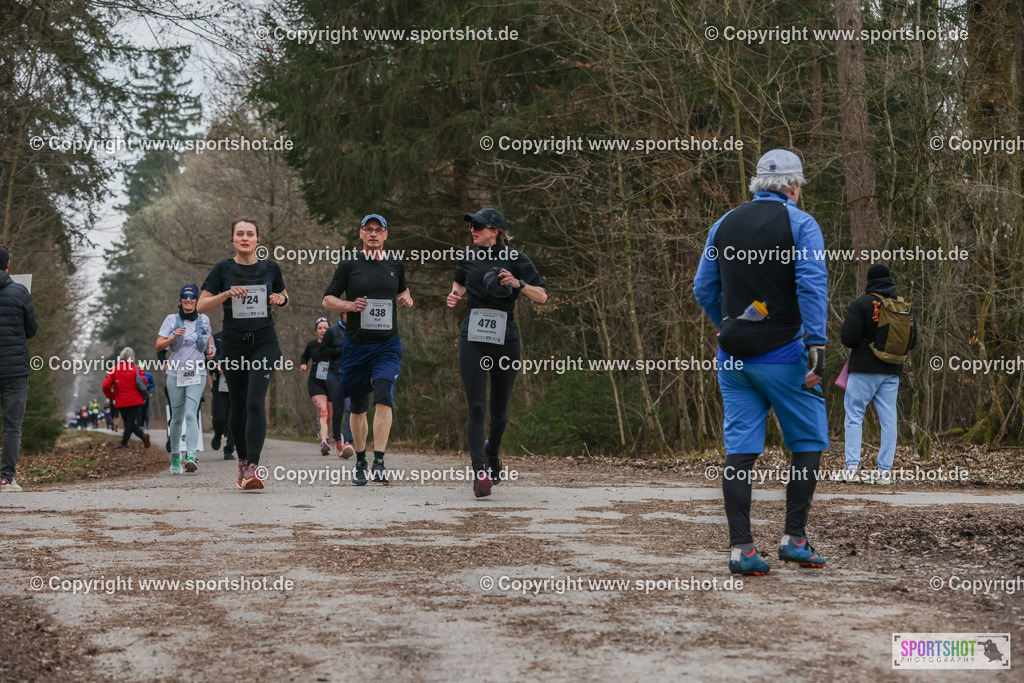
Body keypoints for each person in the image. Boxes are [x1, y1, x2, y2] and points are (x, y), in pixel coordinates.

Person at [693, 149, 829, 576]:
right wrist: (817, 342)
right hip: (785, 354)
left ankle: (741, 549)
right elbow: (810, 283)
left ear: (757, 184)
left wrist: (731, 325)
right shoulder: (801, 224)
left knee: (740, 452)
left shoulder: (723, 224)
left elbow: (703, 288)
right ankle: (794, 539)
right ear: (794, 185)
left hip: (731, 357)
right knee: (808, 442)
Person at [446, 208, 547, 497]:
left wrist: (519, 283)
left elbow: (542, 295)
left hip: (506, 338)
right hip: (473, 336)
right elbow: (459, 282)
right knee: (477, 406)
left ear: (495, 230)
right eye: (471, 225)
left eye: (478, 225)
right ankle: (480, 472)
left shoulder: (516, 259)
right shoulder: (467, 258)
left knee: (499, 411)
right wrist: (455, 294)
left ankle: (492, 451)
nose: (473, 229)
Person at [198, 217, 288, 490]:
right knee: (237, 404)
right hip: (234, 344)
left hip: (264, 342)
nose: (245, 238)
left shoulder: (270, 267)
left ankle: (253, 467)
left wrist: (280, 299)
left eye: (250, 234)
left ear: (258, 240)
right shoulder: (222, 269)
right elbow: (201, 305)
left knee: (254, 401)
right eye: (240, 234)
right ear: (233, 240)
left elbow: (284, 295)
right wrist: (225, 294)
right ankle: (242, 461)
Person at [322, 213, 412, 486]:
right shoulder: (349, 265)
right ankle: (361, 460)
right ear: (361, 234)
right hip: (357, 345)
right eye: (368, 229)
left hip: (387, 344)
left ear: (386, 235)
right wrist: (349, 306)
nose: (373, 234)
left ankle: (380, 461)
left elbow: (403, 292)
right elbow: (327, 300)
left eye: (378, 230)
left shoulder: (395, 264)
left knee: (384, 395)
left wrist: (406, 298)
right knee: (358, 407)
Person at [840, 264, 918, 485]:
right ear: (889, 280)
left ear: (869, 280)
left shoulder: (862, 303)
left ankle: (852, 468)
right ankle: (884, 472)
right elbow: (913, 341)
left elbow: (848, 338)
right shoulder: (901, 305)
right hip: (891, 371)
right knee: (889, 419)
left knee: (854, 415)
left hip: (864, 370)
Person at [156, 284, 216, 474]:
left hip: (196, 372)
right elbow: (159, 346)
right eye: (185, 296)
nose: (188, 300)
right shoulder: (171, 320)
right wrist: (173, 337)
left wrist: (211, 348)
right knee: (176, 419)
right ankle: (175, 455)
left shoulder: (204, 319)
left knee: (191, 414)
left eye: (192, 297)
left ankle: (191, 456)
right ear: (180, 299)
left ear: (196, 299)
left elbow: (209, 337)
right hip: (175, 373)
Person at [0, 244, 38, 492]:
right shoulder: (19, 291)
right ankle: (6, 479)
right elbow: (32, 329)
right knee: (12, 426)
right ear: (8, 264)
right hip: (14, 370)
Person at [102, 347, 152, 449]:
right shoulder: (137, 369)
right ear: (132, 356)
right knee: (130, 423)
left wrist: (112, 396)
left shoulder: (114, 369)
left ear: (121, 356)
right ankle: (142, 437)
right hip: (135, 400)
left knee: (128, 423)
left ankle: (124, 443)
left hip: (121, 400)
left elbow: (105, 386)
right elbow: (144, 383)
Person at [299, 317, 336, 455]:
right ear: (316, 330)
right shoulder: (312, 345)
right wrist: (303, 364)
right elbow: (304, 357)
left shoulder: (334, 344)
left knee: (330, 415)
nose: (323, 330)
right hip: (316, 382)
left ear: (329, 329)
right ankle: (323, 442)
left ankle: (325, 434)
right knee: (323, 411)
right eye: (320, 328)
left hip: (332, 382)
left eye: (325, 328)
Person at [322, 315, 355, 458]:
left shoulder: (357, 330)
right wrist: (339, 351)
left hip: (352, 373)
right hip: (334, 374)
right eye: (347, 314)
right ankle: (337, 440)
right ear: (342, 314)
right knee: (338, 409)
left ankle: (348, 442)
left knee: (350, 408)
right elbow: (322, 351)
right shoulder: (332, 331)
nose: (350, 317)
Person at [209, 329, 235, 460]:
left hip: (238, 384)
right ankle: (218, 433)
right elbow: (209, 358)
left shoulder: (245, 337)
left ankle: (229, 449)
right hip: (220, 384)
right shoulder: (216, 338)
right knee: (220, 417)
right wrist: (217, 365)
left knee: (235, 418)